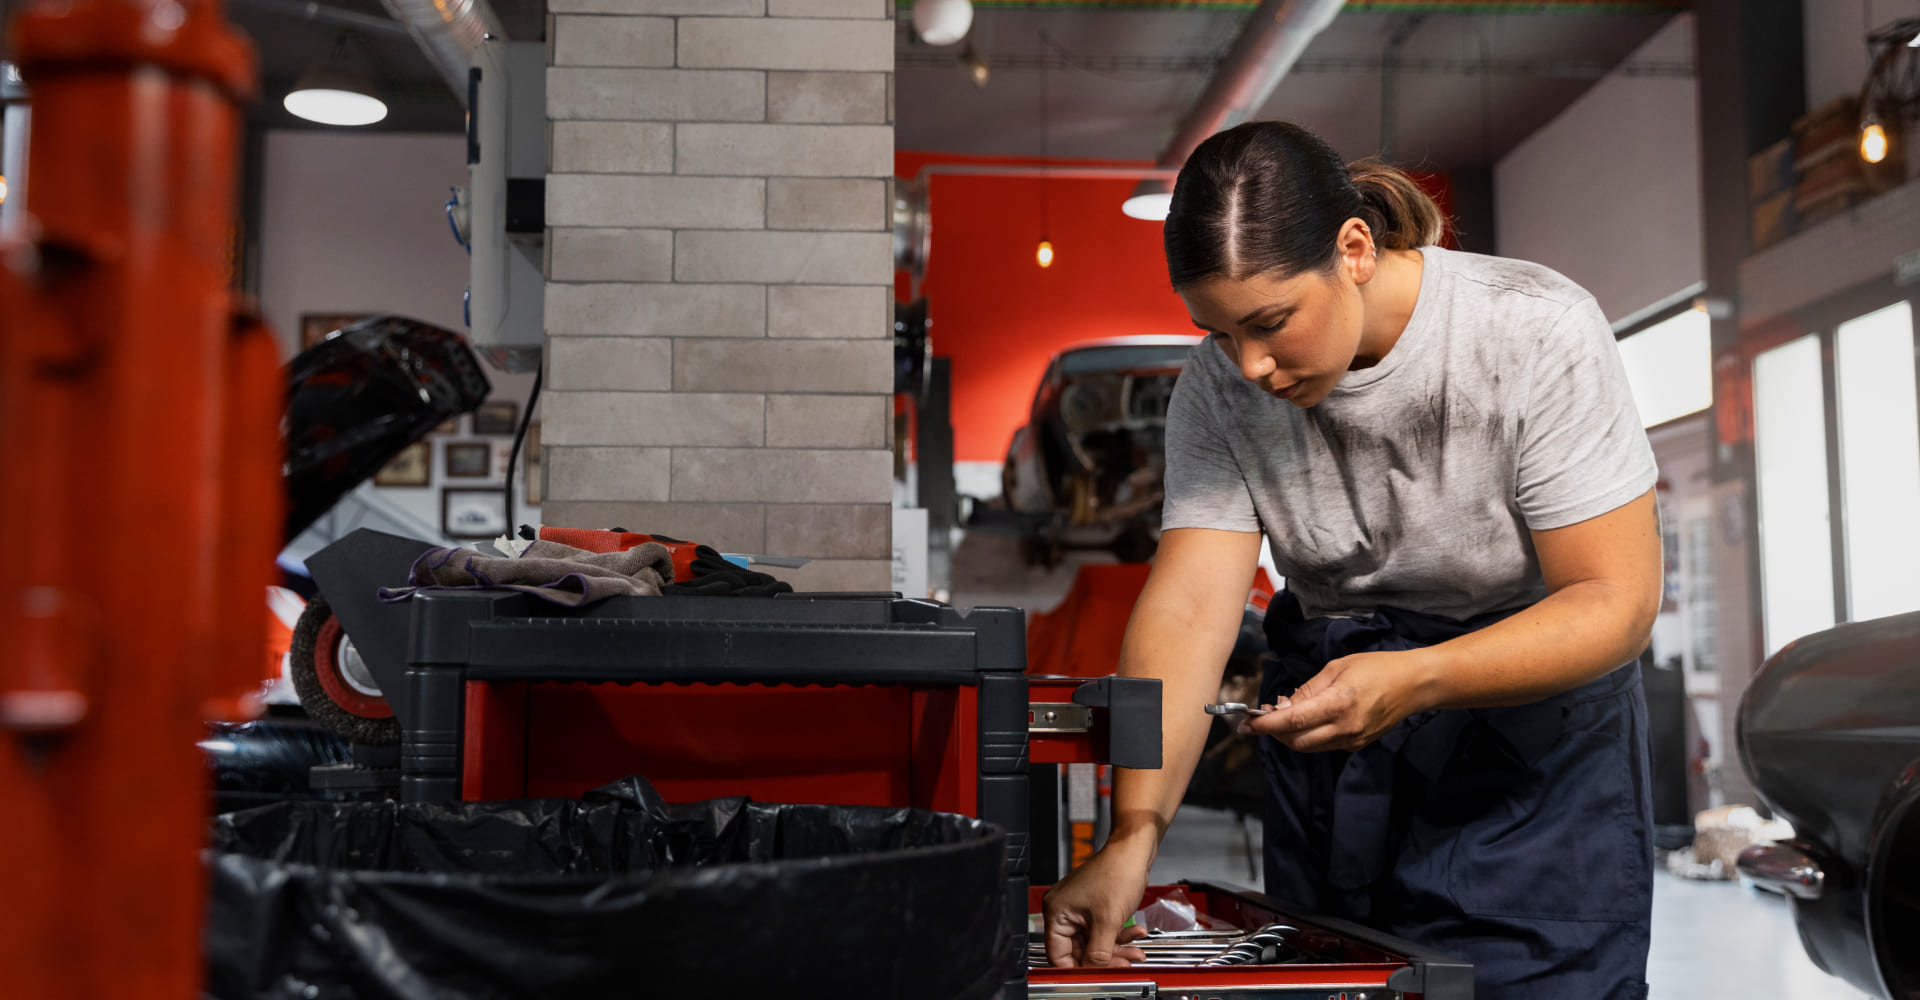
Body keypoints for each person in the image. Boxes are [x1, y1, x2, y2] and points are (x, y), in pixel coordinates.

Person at [1040, 120, 1661, 1000]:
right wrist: (1133, 836)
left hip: (1535, 757)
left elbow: (1616, 600)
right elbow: (1188, 613)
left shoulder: (1533, 329)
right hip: (1340, 749)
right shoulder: (1217, 391)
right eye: (1218, 333)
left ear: (1355, 249)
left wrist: (1418, 677)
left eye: (1270, 323)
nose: (1250, 366)